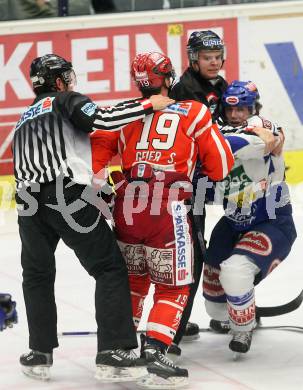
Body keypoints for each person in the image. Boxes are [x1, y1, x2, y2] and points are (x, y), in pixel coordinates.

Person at [12, 53, 174, 382]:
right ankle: (113, 351)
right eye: (67, 77)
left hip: (27, 203)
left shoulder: (23, 117)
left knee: (37, 276)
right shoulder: (65, 99)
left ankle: (39, 352)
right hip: (64, 194)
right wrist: (149, 105)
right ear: (58, 82)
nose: (71, 82)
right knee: (109, 267)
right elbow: (101, 120)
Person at [91, 51, 234, 388]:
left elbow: (95, 161)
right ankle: (155, 352)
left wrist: (113, 186)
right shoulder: (193, 111)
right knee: (173, 286)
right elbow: (222, 166)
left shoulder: (122, 113)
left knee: (134, 281)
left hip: (127, 206)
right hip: (168, 207)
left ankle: (118, 352)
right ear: (168, 77)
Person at [202, 80, 297, 354]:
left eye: (242, 109)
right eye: (230, 110)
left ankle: (243, 330)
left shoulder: (262, 127)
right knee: (215, 305)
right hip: (232, 222)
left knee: (235, 271)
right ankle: (242, 309)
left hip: (271, 221)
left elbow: (267, 142)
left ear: (253, 108)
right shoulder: (217, 129)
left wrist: (209, 142)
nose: (235, 115)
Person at [167, 29, 228, 353]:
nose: (214, 62)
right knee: (191, 253)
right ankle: (173, 324)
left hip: (203, 181)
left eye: (217, 56)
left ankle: (189, 317)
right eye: (207, 58)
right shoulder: (187, 90)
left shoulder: (216, 84)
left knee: (207, 247)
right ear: (193, 59)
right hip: (186, 184)